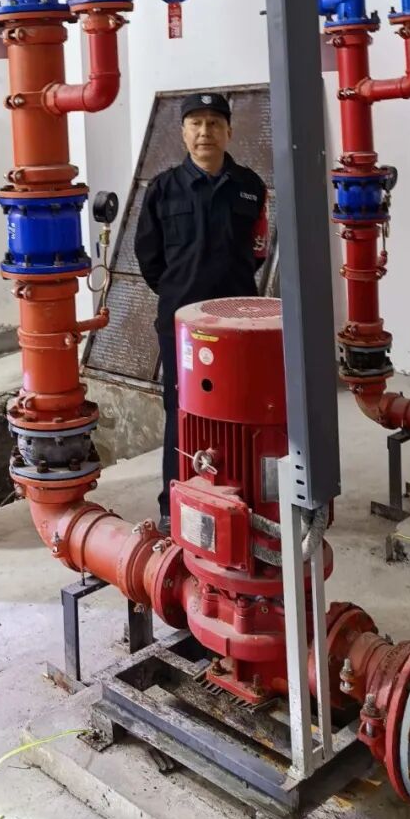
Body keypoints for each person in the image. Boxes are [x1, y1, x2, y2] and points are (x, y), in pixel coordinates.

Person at [134, 92, 269, 534]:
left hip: (240, 326)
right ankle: (173, 503)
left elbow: (258, 249)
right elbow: (149, 257)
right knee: (182, 410)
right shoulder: (162, 189)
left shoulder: (250, 186)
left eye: (214, 123)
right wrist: (182, 294)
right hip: (181, 326)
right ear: (183, 133)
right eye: (196, 123)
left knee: (240, 408)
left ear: (229, 131)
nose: (205, 131)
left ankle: (241, 497)